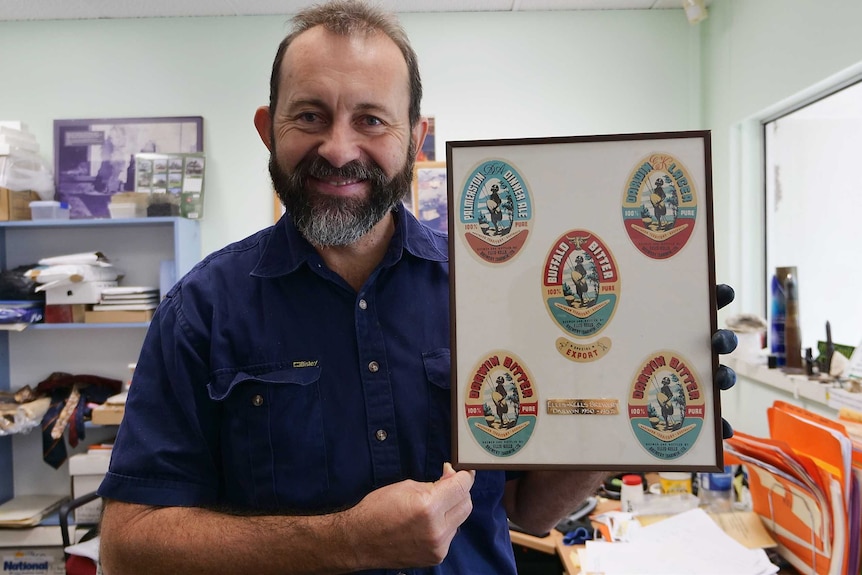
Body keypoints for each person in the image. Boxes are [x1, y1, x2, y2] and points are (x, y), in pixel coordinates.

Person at [97, 2, 738, 574]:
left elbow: (530, 508)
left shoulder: (496, 289)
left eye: (372, 120)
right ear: (269, 129)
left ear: (416, 136)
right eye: (310, 115)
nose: (340, 148)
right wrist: (342, 543)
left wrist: (634, 398)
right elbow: (129, 546)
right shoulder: (200, 313)